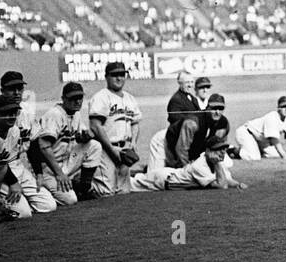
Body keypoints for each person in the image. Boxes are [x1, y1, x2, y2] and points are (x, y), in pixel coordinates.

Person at [30, 81, 102, 205]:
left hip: (66, 163)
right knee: (70, 199)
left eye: (80, 97)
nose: (77, 101)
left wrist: (86, 136)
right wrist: (59, 174)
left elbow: (79, 137)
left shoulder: (76, 114)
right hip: (49, 168)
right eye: (73, 98)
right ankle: (49, 190)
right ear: (63, 99)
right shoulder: (55, 115)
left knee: (94, 145)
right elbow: (44, 147)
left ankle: (83, 188)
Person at [0, 70, 57, 214]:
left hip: (19, 166)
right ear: (2, 91)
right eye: (12, 89)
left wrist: (38, 174)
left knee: (49, 205)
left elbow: (33, 144)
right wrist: (13, 182)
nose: (17, 92)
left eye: (20, 88)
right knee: (24, 213)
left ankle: (15, 203)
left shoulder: (26, 112)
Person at [88, 60, 142, 196]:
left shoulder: (130, 98)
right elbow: (95, 126)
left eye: (122, 74)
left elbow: (135, 122)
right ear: (106, 77)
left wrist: (134, 143)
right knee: (106, 192)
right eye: (114, 75)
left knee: (124, 192)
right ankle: (84, 185)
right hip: (106, 149)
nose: (119, 78)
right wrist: (112, 150)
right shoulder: (101, 97)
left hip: (125, 150)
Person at [0, 94, 37, 222]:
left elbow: (2, 166)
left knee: (24, 213)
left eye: (14, 112)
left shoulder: (14, 131)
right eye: (7, 112)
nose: (12, 116)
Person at [130, 133, 246, 192]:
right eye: (217, 149)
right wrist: (217, 164)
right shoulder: (200, 165)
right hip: (163, 180)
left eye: (223, 149)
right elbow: (222, 185)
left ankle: (135, 172)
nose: (221, 153)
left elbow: (227, 179)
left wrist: (237, 185)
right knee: (128, 185)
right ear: (208, 151)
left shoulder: (216, 160)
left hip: (171, 174)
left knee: (132, 181)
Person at [149, 71, 203, 170]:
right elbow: (175, 120)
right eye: (187, 82)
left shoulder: (192, 98)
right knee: (158, 171)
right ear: (179, 83)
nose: (190, 85)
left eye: (191, 82)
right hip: (173, 138)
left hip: (186, 136)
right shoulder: (176, 99)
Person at [233, 95, 286, 159]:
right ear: (278, 108)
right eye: (283, 107)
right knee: (254, 157)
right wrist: (284, 156)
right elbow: (274, 140)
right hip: (246, 132)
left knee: (275, 155)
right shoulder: (272, 118)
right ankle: (232, 150)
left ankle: (255, 149)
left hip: (260, 138)